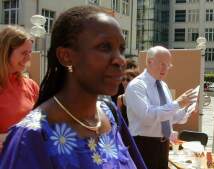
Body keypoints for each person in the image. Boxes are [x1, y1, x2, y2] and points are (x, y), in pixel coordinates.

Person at [0, 6, 142, 169]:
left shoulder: (111, 115)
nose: (120, 60)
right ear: (66, 56)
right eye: (104, 47)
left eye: (121, 49)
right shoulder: (32, 137)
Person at [125, 46, 198, 169]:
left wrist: (187, 108)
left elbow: (171, 118)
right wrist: (178, 103)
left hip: (163, 145)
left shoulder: (163, 85)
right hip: (143, 145)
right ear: (149, 62)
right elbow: (147, 116)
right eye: (162, 64)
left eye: (168, 65)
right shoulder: (137, 86)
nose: (165, 68)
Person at [0, 26, 39, 151]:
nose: (28, 58)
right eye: (23, 53)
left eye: (29, 53)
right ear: (6, 52)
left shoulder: (31, 85)